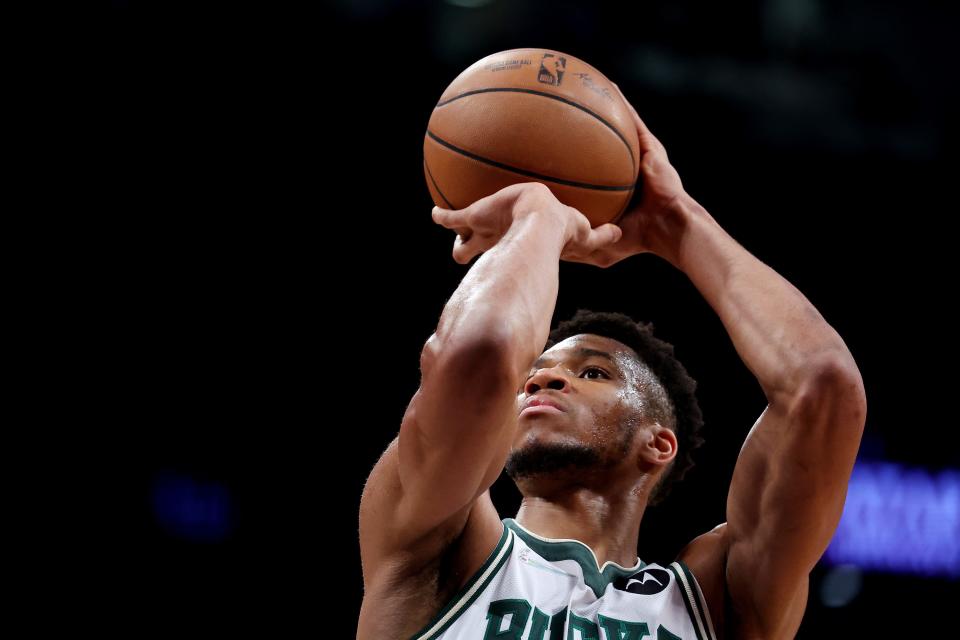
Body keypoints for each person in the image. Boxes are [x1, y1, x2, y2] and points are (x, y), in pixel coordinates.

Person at [357, 85, 867, 640]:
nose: (544, 377)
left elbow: (823, 387)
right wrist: (539, 217)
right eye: (535, 370)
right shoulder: (444, 544)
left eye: (592, 372)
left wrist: (678, 222)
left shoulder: (720, 602)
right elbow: (476, 358)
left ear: (659, 443)